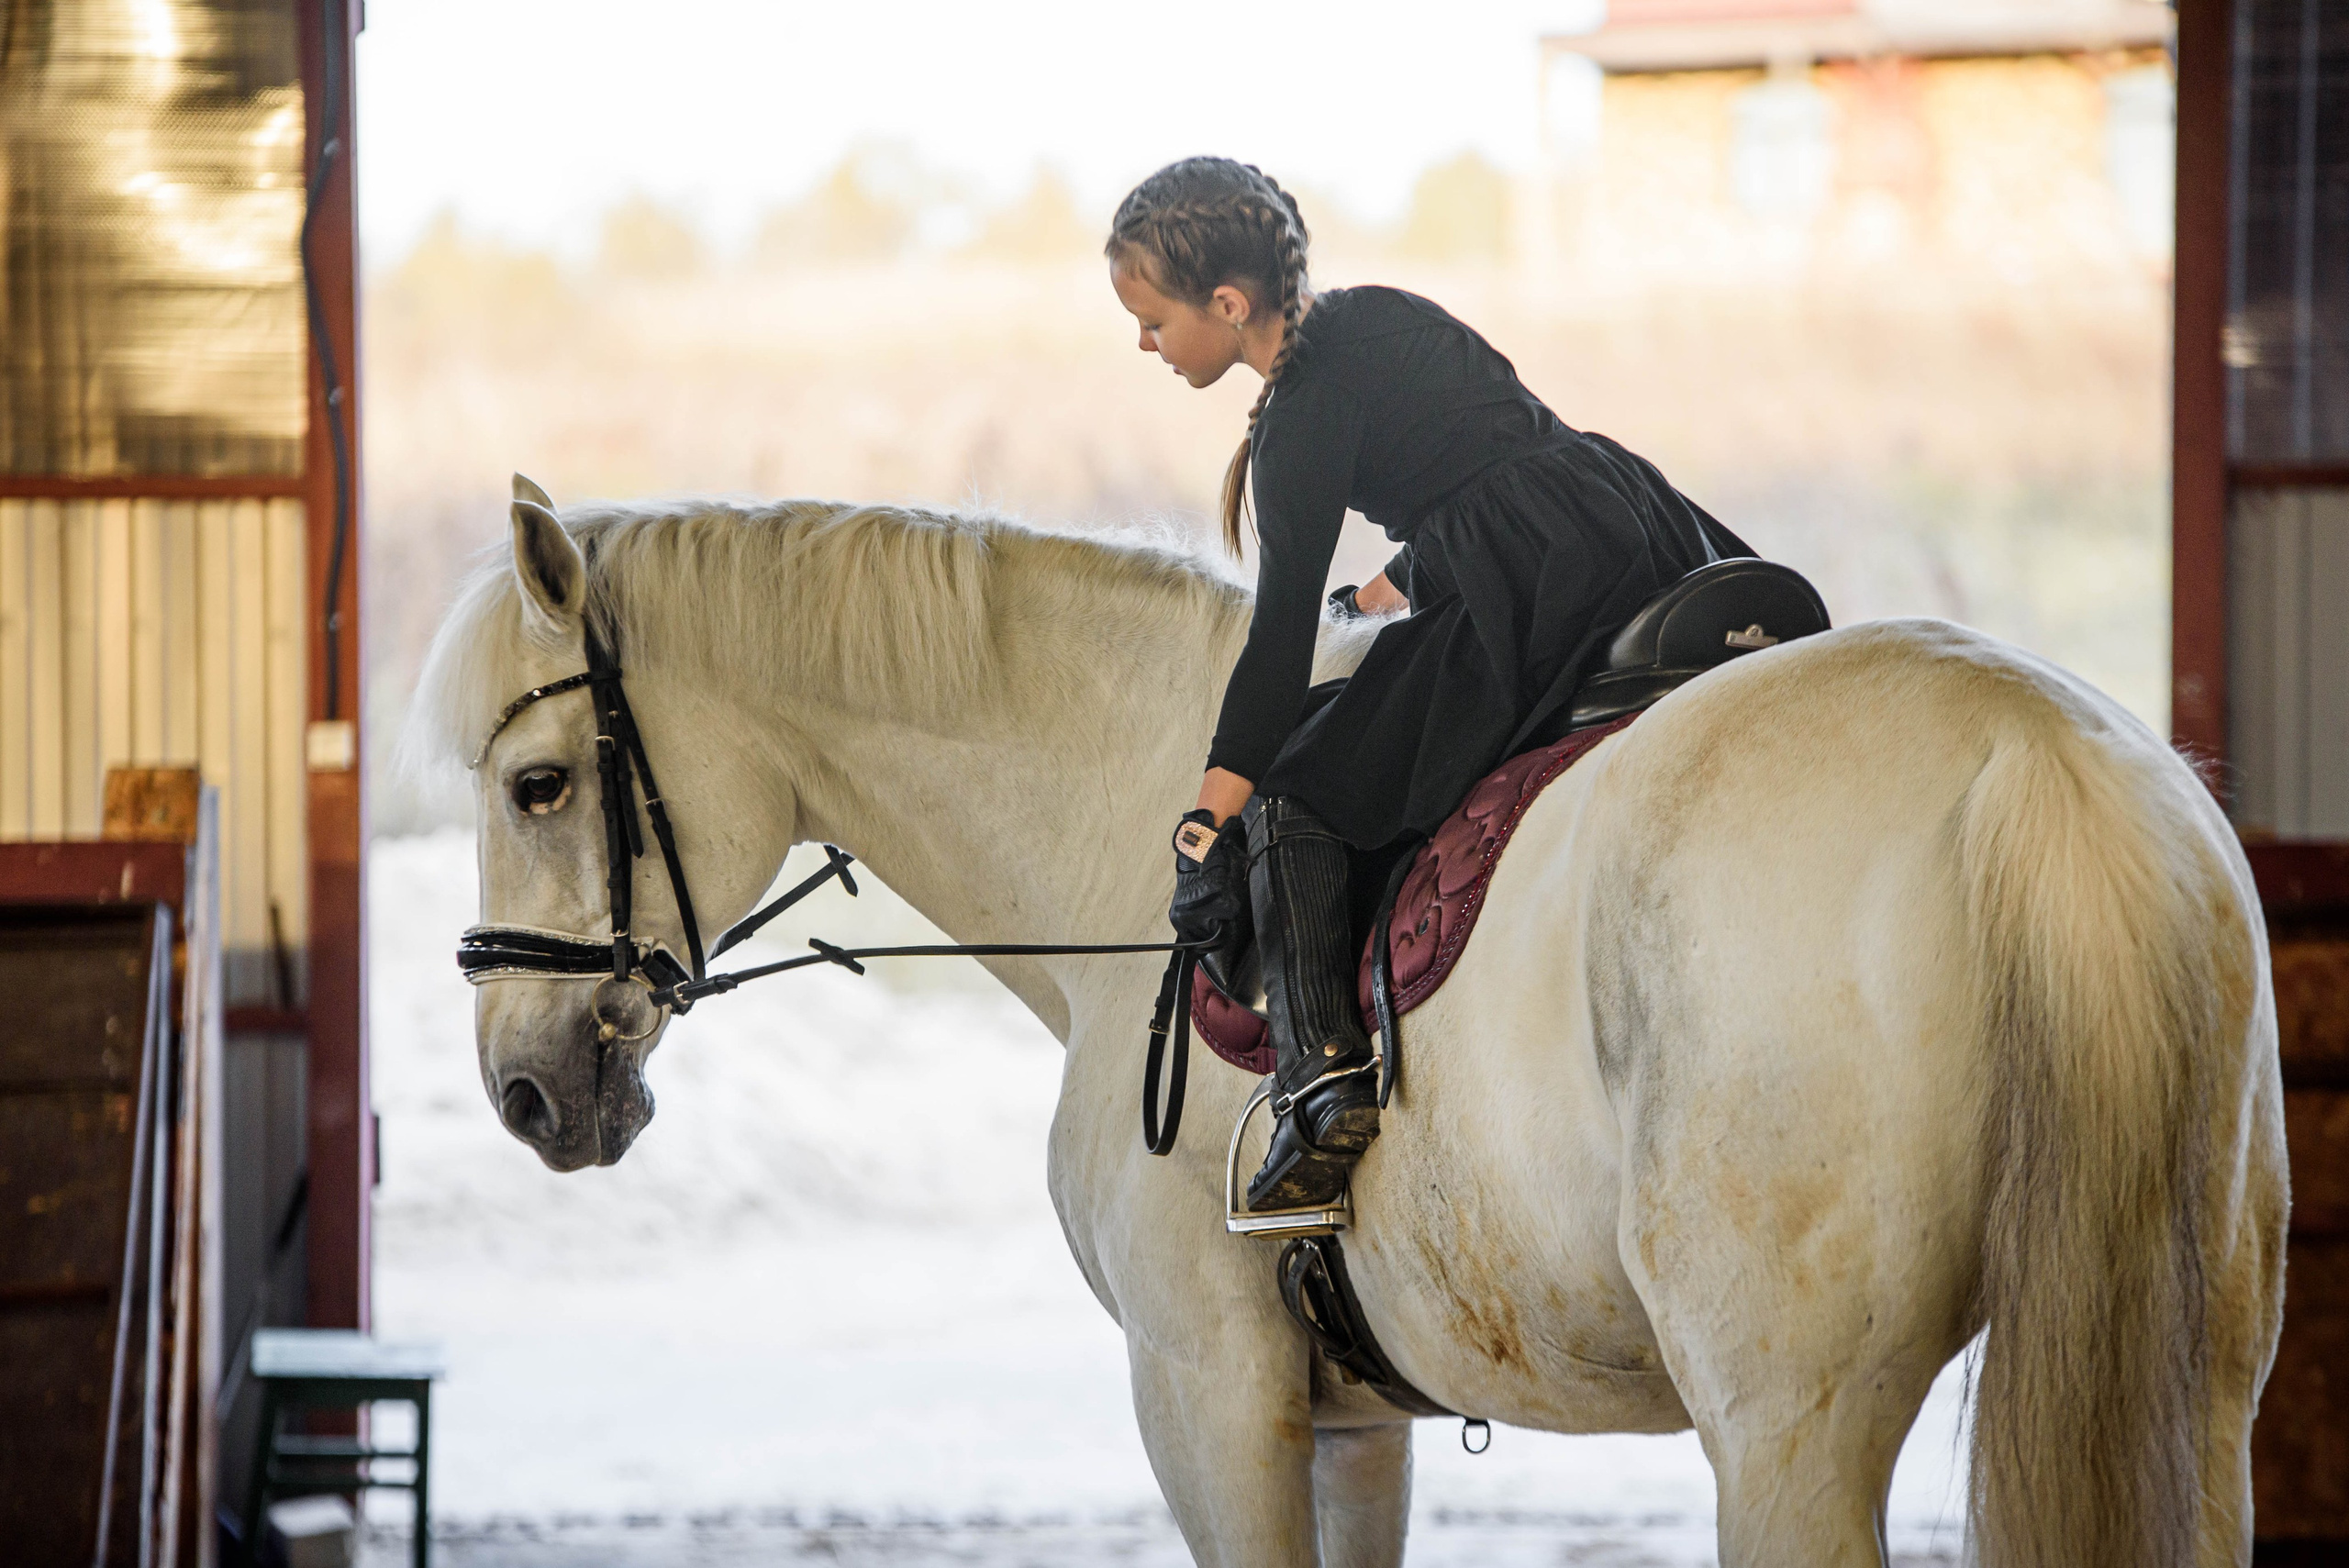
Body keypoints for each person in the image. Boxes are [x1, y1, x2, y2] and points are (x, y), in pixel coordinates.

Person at [1107, 157, 1751, 1212]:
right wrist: (1379, 593)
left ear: (1225, 304)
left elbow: (1277, 643)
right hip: (1623, 515)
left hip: (1537, 586)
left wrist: (1206, 823)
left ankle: (1318, 1081)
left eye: (1151, 321)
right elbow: (1486, 465)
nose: (1145, 344)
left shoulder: (1299, 415)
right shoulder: (1377, 312)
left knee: (1297, 794)